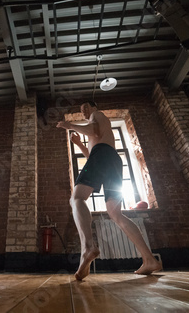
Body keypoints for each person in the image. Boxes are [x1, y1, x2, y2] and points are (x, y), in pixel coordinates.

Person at [57, 101, 162, 281]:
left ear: (93, 107)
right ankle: (149, 259)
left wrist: (69, 125)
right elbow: (93, 154)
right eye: (82, 111)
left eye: (86, 108)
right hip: (111, 159)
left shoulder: (97, 115)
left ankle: (87, 248)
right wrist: (79, 145)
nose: (84, 112)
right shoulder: (100, 125)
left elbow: (93, 133)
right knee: (115, 213)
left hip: (103, 155)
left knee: (77, 198)